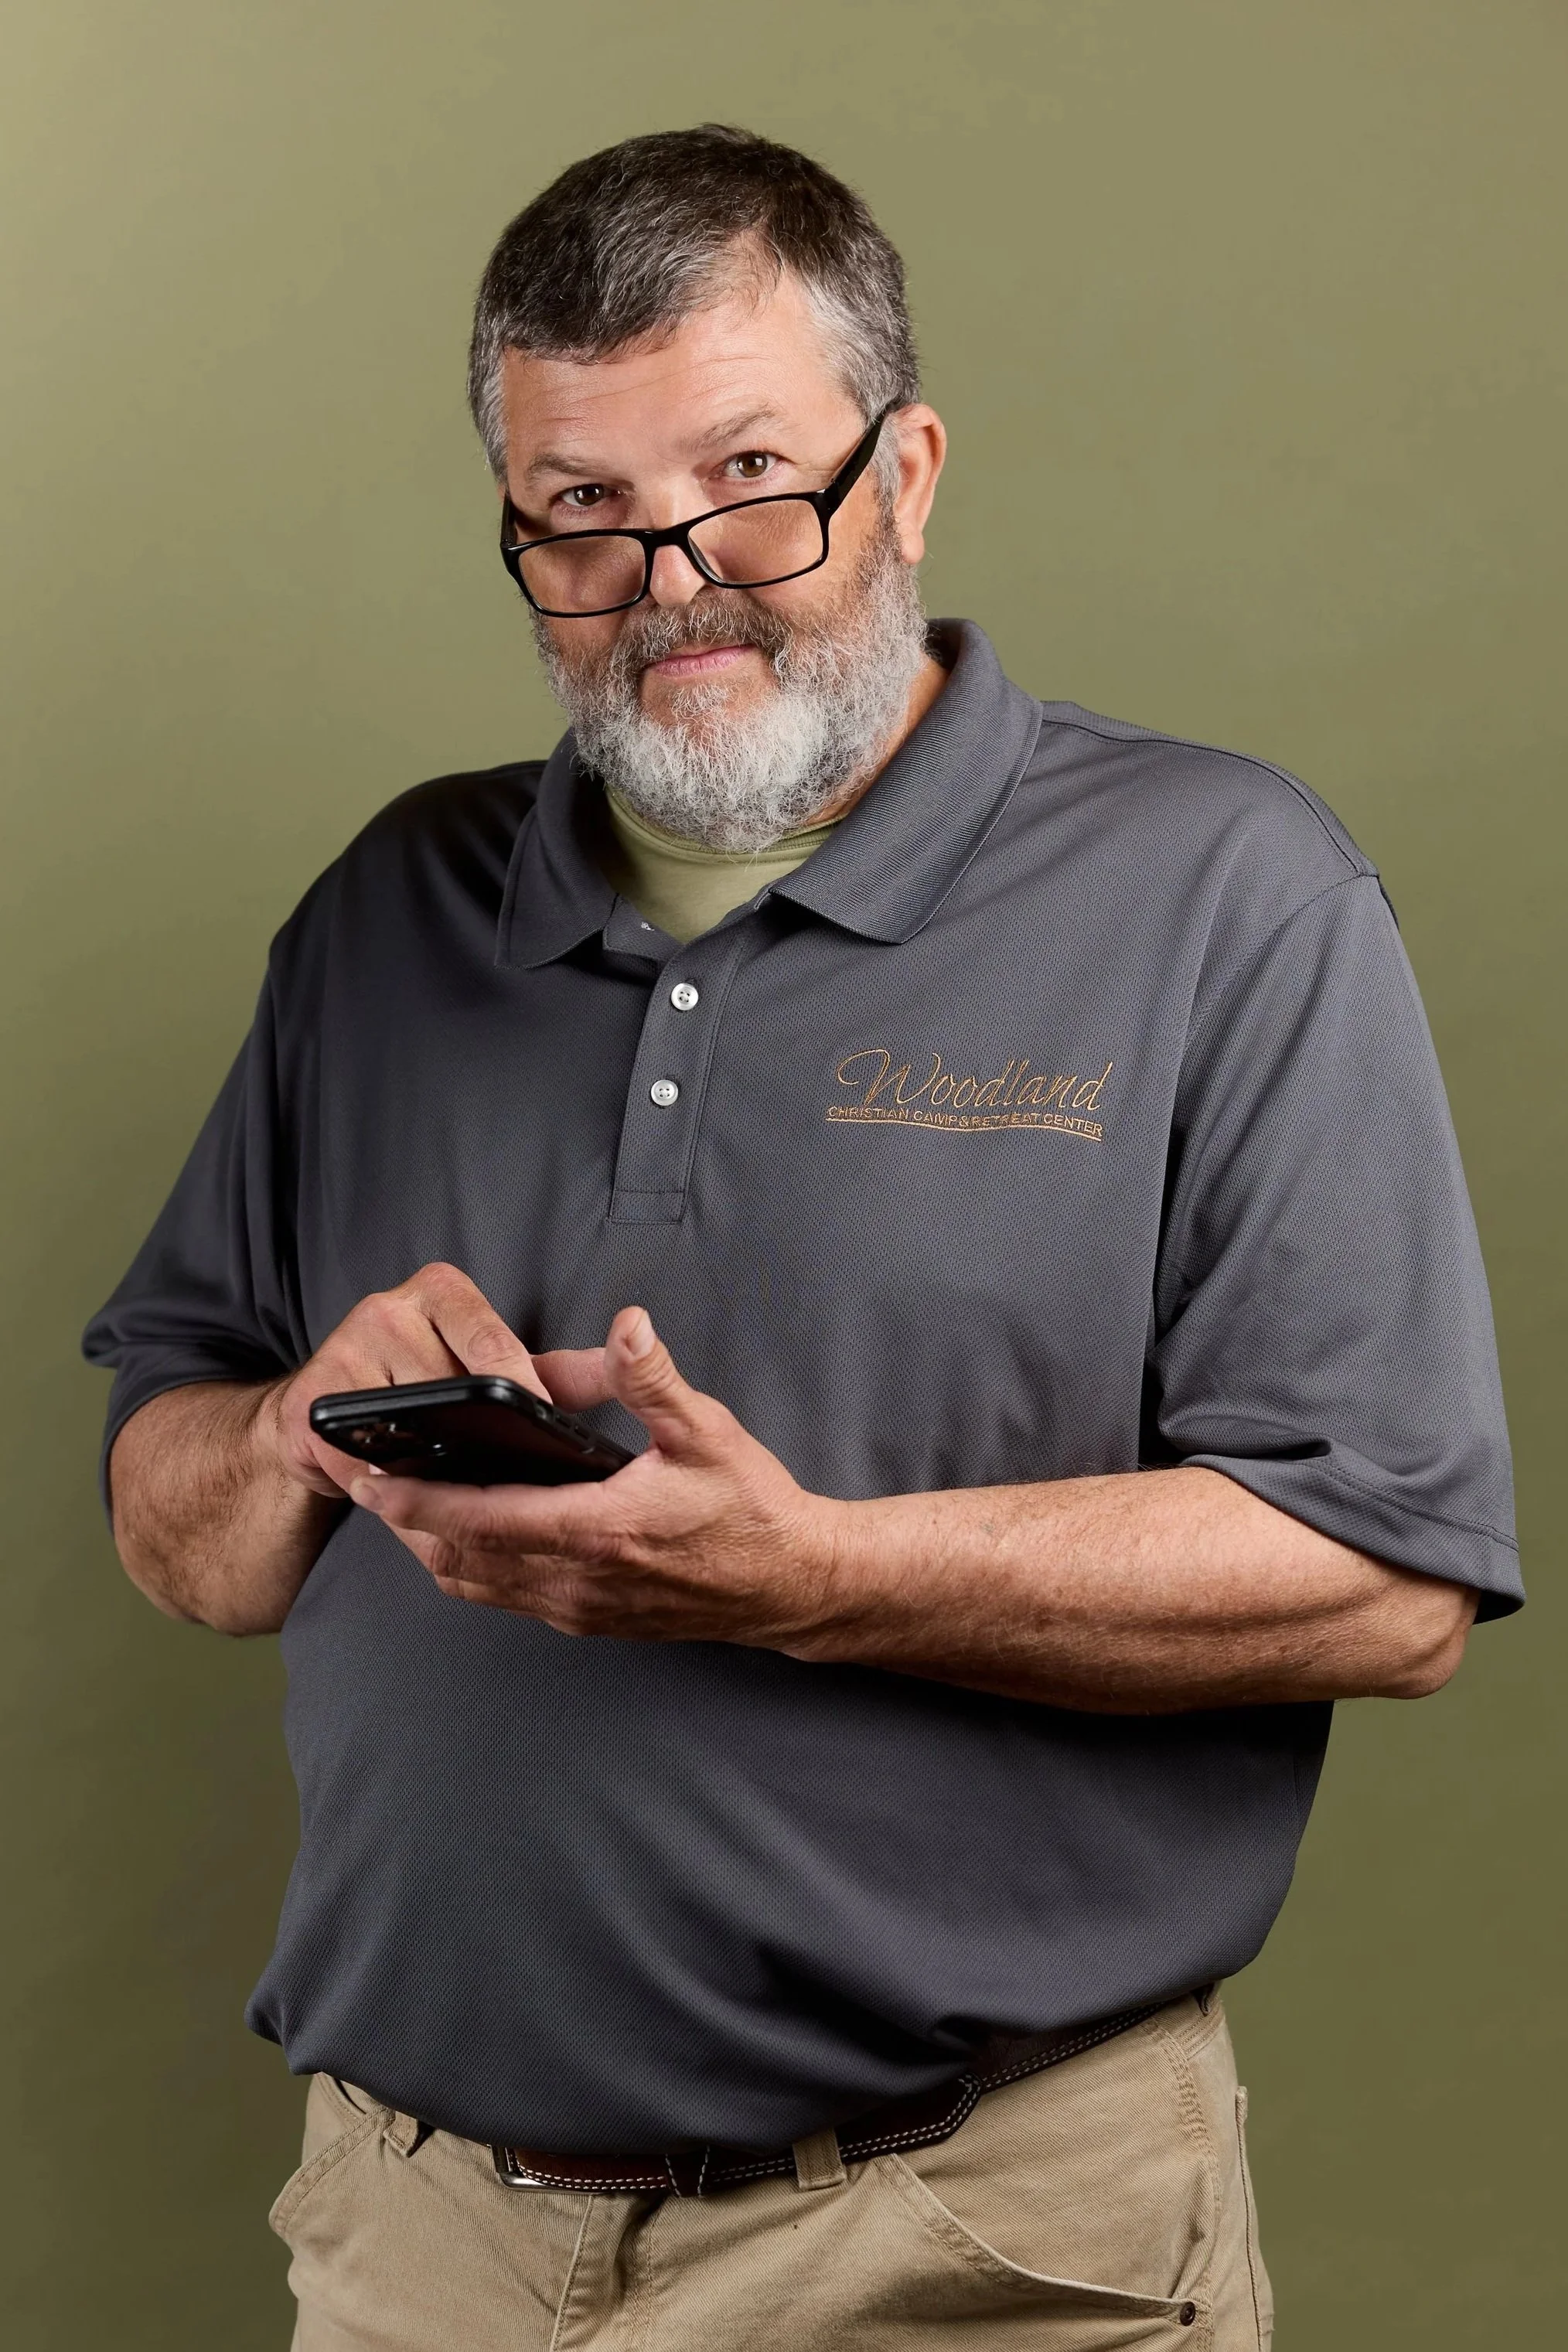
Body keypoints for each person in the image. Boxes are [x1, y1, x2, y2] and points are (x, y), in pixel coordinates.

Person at [84, 125, 1519, 2350]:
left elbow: (1390, 1576)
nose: (674, 575)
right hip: (413, 2243)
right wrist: (299, 1426)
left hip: (966, 2247)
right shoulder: (386, 911)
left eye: (750, 474)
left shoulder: (1226, 894)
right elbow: (182, 1540)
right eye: (578, 510)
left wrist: (814, 1582)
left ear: (907, 469)